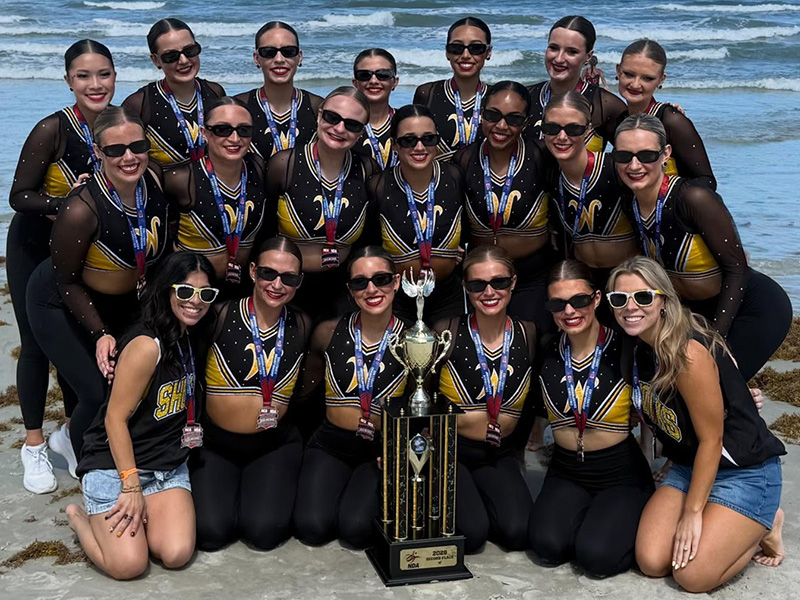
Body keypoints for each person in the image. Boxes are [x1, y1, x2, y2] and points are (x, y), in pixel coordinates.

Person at [608, 256, 786, 592]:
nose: (630, 307)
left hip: (743, 471)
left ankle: (766, 525)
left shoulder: (687, 353)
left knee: (692, 577)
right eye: (619, 299)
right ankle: (725, 522)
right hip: (690, 467)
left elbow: (712, 439)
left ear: (663, 300)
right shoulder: (637, 347)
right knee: (651, 561)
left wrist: (692, 513)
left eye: (643, 297)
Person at [27, 106, 171, 459]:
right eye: (115, 150)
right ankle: (85, 467)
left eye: (138, 146)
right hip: (60, 301)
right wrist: (100, 333)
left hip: (122, 300)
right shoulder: (81, 209)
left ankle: (82, 443)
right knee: (95, 392)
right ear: (97, 151)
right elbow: (67, 281)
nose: (129, 157)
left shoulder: (154, 181)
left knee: (132, 383)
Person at [66, 252, 216, 580]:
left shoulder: (190, 335)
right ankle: (79, 518)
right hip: (117, 466)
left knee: (176, 554)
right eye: (185, 291)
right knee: (129, 566)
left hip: (165, 466)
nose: (195, 301)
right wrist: (131, 486)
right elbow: (114, 420)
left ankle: (137, 523)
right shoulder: (148, 345)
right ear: (167, 290)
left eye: (205, 294)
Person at [8, 39, 115, 493]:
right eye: (83, 76)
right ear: (69, 80)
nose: (95, 84)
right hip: (34, 247)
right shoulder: (52, 129)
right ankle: (33, 444)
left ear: (115, 76)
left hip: (84, 251)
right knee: (35, 346)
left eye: (103, 74)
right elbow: (19, 196)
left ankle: (71, 434)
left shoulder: (119, 125)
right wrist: (66, 202)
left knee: (78, 339)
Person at [614, 114, 792, 380]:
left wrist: (717, 339)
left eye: (647, 155)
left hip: (749, 308)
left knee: (718, 385)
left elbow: (736, 268)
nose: (634, 165)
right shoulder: (629, 202)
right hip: (693, 313)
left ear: (666, 154)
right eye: (624, 156)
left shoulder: (693, 198)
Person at [529, 259, 653, 577]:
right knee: (546, 547)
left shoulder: (627, 346)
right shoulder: (545, 346)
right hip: (565, 470)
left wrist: (735, 393)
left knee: (597, 559)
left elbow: (675, 384)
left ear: (597, 298)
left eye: (579, 300)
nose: (569, 311)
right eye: (558, 304)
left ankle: (616, 518)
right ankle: (594, 521)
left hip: (620, 472)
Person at [190, 237, 309, 551]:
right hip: (216, 444)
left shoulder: (301, 324)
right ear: (253, 271)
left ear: (299, 282)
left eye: (289, 278)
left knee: (263, 533)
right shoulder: (218, 315)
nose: (277, 285)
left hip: (273, 445)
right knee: (211, 534)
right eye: (269, 273)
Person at [293, 246, 407, 548]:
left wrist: (399, 453)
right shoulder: (327, 332)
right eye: (360, 282)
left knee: (355, 531)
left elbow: (422, 410)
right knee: (312, 528)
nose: (372, 289)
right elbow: (305, 393)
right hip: (331, 444)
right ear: (350, 289)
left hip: (381, 450)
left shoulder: (415, 339)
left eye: (381, 279)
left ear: (396, 282)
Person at [434, 246, 535, 553]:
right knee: (472, 535)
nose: (489, 292)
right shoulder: (446, 331)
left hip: (497, 453)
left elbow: (532, 404)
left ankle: (475, 497)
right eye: (478, 284)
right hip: (450, 451)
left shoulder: (528, 333)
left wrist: (517, 450)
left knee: (518, 533)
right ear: (466, 287)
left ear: (513, 282)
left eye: (499, 282)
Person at [263, 87, 378, 321]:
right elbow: (264, 230)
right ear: (319, 115)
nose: (339, 129)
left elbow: (370, 237)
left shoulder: (368, 170)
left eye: (352, 124)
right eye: (332, 117)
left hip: (343, 288)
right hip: (285, 284)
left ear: (361, 132)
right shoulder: (284, 165)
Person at [453, 81, 553, 335]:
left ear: (526, 123)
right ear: (481, 114)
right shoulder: (463, 160)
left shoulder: (542, 156)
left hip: (532, 275)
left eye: (514, 119)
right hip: (481, 278)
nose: (501, 125)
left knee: (532, 340)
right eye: (492, 115)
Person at [366, 104, 465, 323]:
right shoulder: (378, 186)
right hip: (394, 296)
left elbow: (469, 227)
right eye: (408, 140)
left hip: (448, 294)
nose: (419, 147)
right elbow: (370, 244)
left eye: (428, 139)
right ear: (394, 145)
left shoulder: (455, 177)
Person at [165, 97, 266, 295]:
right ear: (204, 133)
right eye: (222, 129)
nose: (234, 139)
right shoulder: (182, 180)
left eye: (243, 130)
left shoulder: (257, 168)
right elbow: (166, 235)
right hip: (192, 291)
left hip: (243, 284)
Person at [543, 92, 638, 287]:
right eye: (552, 128)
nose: (562, 137)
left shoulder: (615, 169)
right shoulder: (550, 174)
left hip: (628, 278)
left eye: (573, 129)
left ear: (588, 130)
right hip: (583, 279)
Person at [123, 18, 225, 167]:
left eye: (190, 51)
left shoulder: (215, 92)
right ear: (155, 60)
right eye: (171, 56)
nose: (184, 60)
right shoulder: (139, 104)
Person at [616, 39, 716, 189]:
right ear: (618, 71)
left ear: (661, 79)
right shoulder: (621, 119)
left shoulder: (672, 121)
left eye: (647, 78)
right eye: (629, 74)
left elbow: (707, 181)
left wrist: (664, 196)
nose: (635, 84)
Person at [525, 16, 626, 152]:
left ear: (588, 56)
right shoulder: (525, 97)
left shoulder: (607, 106)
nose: (559, 59)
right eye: (554, 48)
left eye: (572, 52)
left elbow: (632, 156)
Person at [234, 21, 322, 159]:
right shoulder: (238, 107)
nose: (279, 59)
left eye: (288, 51)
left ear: (299, 56)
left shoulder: (317, 107)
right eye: (269, 52)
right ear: (256, 58)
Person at [413, 17, 492, 162]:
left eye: (476, 48)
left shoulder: (497, 97)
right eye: (456, 48)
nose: (466, 55)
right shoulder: (427, 93)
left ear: (488, 52)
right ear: (447, 52)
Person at [352, 48, 399, 170]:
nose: (373, 81)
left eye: (383, 75)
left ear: (395, 82)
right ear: (355, 83)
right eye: (364, 75)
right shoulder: (342, 125)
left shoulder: (406, 121)